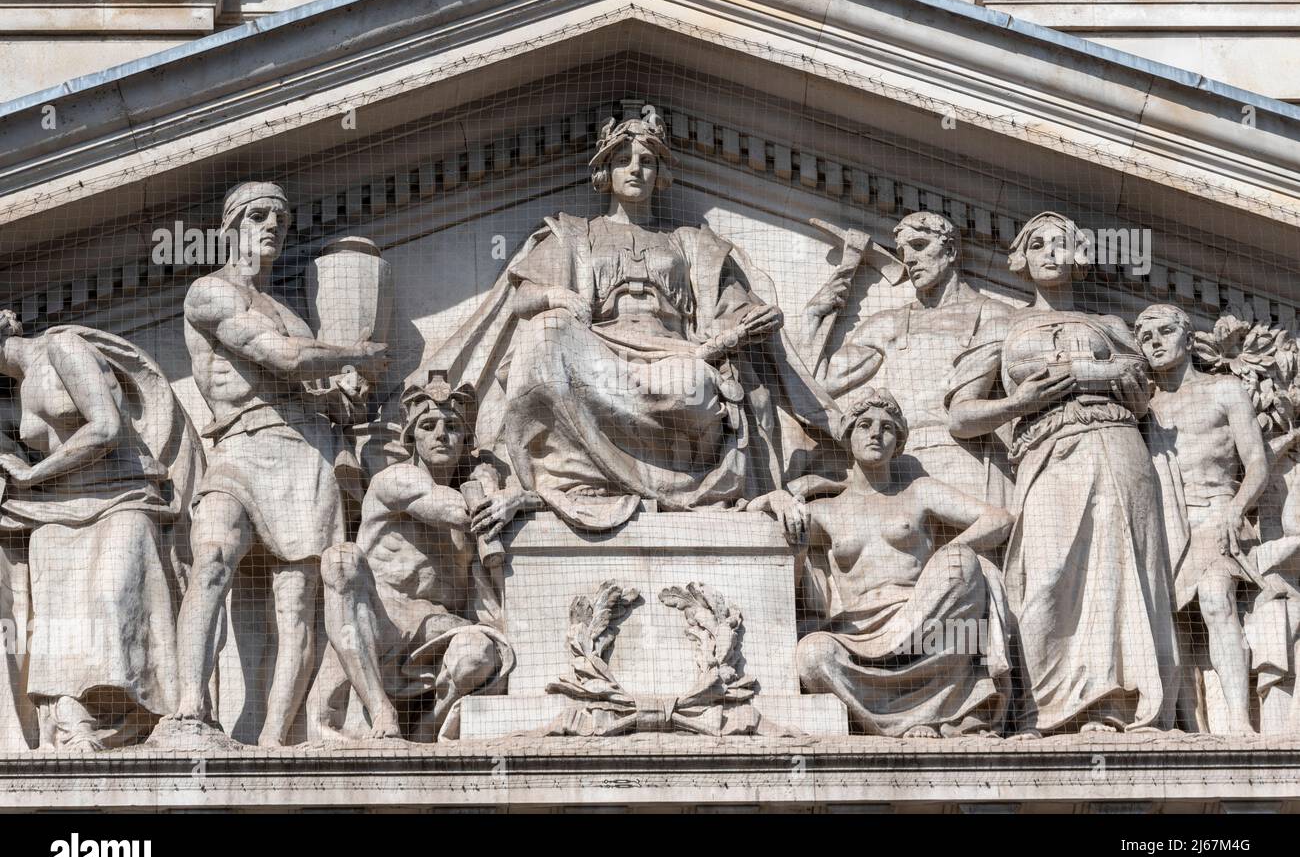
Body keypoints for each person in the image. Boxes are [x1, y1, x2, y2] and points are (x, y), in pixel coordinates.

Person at [423, 105, 839, 532]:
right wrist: (557, 295)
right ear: (605, 171)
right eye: (622, 161)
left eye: (646, 161)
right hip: (596, 353)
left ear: (660, 172)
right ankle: (572, 478)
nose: (634, 170)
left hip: (674, 354)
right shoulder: (575, 232)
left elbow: (732, 307)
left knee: (696, 386)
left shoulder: (690, 242)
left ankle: (640, 480)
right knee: (545, 331)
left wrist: (755, 319)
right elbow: (523, 298)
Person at [153, 181, 387, 748]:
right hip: (240, 447)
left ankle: (276, 738)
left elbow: (314, 381)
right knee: (212, 557)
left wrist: (345, 393)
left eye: (280, 222)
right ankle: (191, 704)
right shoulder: (210, 293)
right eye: (258, 216)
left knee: (297, 606)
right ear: (229, 226)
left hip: (304, 456)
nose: (271, 230)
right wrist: (357, 351)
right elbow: (280, 357)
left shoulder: (292, 315)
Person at [947, 212, 1178, 735]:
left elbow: (1142, 396)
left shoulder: (1112, 327)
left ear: (1079, 258)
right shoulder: (1003, 329)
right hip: (1046, 454)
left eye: (1063, 244)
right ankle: (1044, 710)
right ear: (1021, 260)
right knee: (1046, 576)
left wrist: (1102, 375)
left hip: (1116, 448)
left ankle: (1112, 705)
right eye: (1038, 244)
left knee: (1120, 568)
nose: (1050, 252)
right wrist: (1019, 401)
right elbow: (961, 416)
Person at [748, 388, 1012, 737]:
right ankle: (897, 726)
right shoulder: (827, 511)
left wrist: (940, 561)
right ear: (847, 436)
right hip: (860, 632)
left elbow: (999, 519)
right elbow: (755, 523)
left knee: (960, 561)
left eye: (888, 427)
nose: (876, 433)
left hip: (924, 618)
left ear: (898, 442)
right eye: (865, 425)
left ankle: (931, 715)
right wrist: (776, 498)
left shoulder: (919, 492)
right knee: (812, 658)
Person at [0, 311, 202, 750]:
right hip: (56, 510)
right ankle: (72, 718)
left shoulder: (61, 347)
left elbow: (106, 427)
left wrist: (32, 475)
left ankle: (144, 715)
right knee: (56, 615)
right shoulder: (18, 390)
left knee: (115, 595)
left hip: (120, 496)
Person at [308, 380, 524, 742]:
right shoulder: (396, 480)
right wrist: (505, 493)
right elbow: (452, 509)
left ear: (466, 441)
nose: (441, 435)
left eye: (453, 427)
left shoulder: (477, 501)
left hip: (438, 632)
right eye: (429, 426)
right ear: (412, 439)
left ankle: (429, 727)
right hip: (378, 627)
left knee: (478, 654)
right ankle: (379, 707)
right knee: (341, 560)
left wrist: (513, 499)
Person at [799, 211, 1015, 505]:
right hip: (895, 465)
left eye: (919, 245)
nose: (909, 260)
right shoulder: (889, 323)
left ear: (950, 250)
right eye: (902, 252)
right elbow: (815, 386)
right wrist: (813, 317)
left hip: (962, 460)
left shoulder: (994, 314)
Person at [1136, 303, 1269, 733]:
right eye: (1144, 335)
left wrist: (1236, 510)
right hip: (1166, 528)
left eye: (1164, 330)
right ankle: (1193, 728)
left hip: (1216, 515)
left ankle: (1239, 720)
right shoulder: (1145, 408)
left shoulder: (1224, 390)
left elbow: (1258, 464)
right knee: (1175, 627)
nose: (1153, 340)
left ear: (1189, 338)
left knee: (1215, 599)